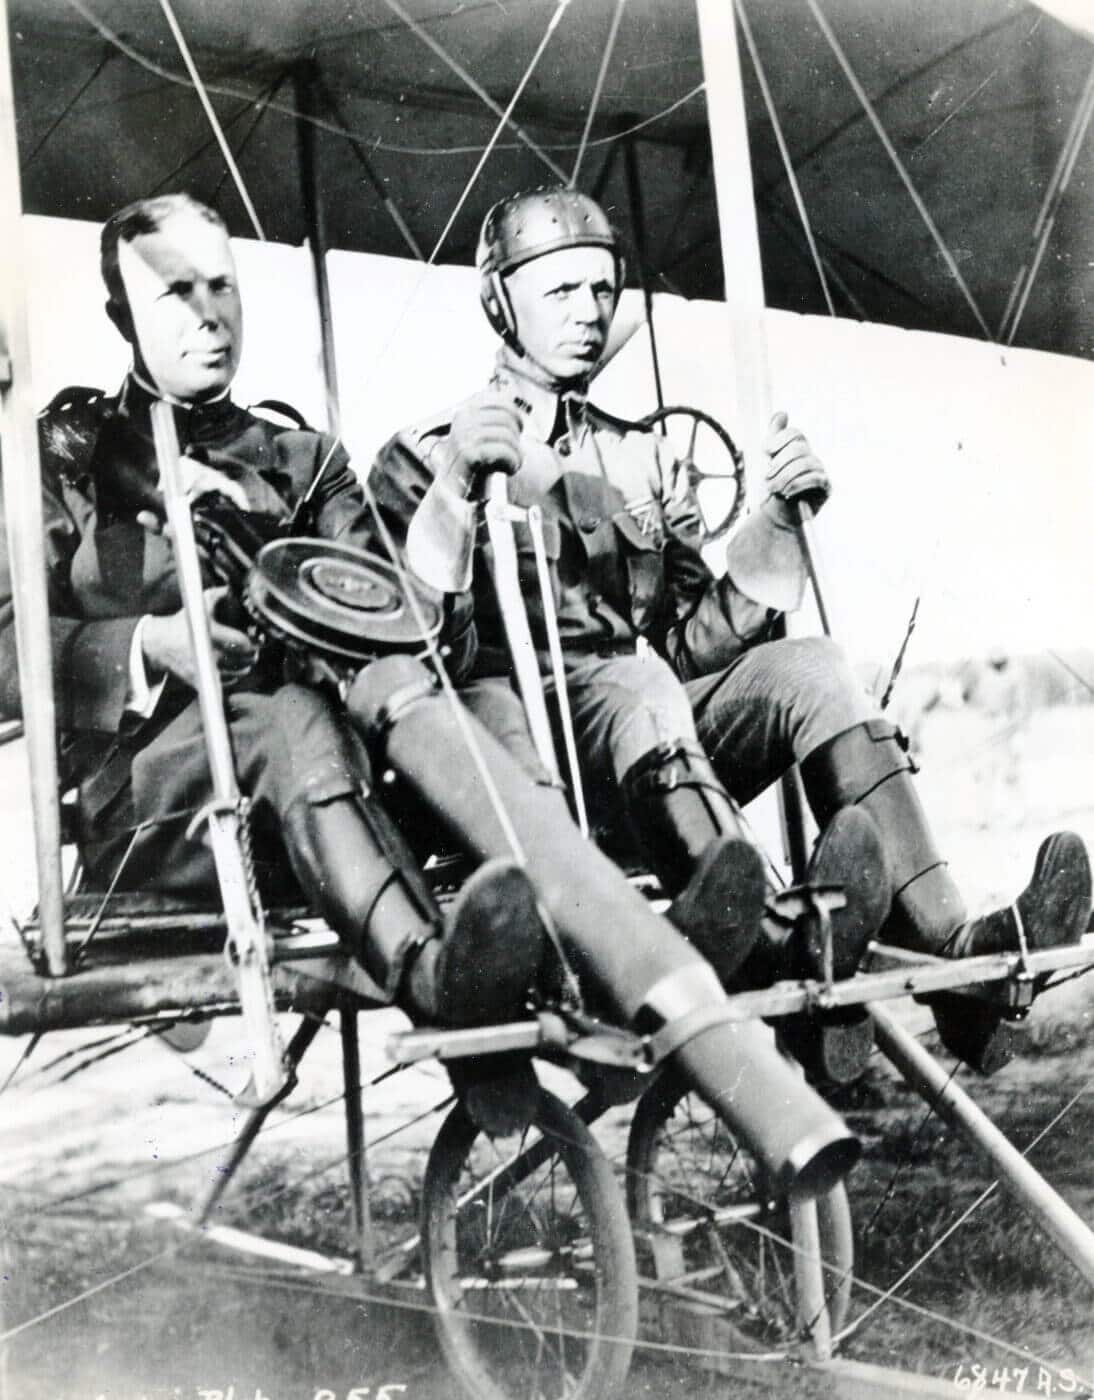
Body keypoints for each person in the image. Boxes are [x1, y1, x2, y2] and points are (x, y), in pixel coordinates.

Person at [0, 192, 862, 1188]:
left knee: (423, 686)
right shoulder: (65, 461)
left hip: (313, 810)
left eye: (221, 288)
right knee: (298, 717)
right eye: (173, 292)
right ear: (122, 317)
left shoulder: (303, 459)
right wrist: (151, 640)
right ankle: (434, 975)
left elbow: (402, 618)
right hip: (161, 815)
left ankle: (582, 957)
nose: (205, 315)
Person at [373, 185, 1092, 1071]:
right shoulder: (427, 448)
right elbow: (406, 649)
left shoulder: (638, 457)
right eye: (560, 292)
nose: (589, 314)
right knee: (635, 685)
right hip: (526, 781)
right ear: (500, 302)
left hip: (648, 760)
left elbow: (687, 644)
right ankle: (772, 949)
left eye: (603, 292)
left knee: (813, 664)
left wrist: (778, 520)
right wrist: (453, 489)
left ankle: (957, 953)